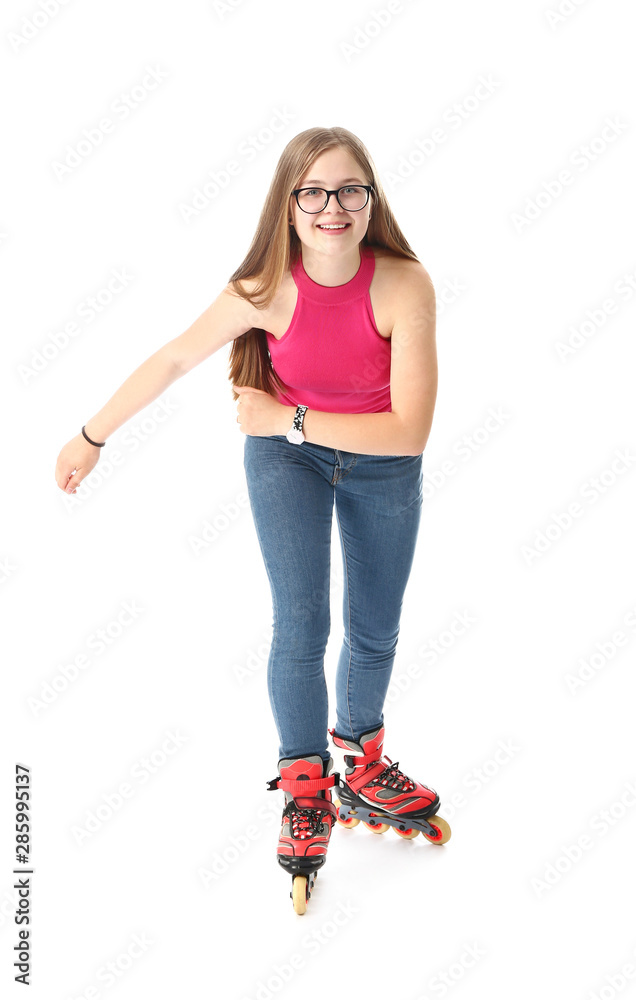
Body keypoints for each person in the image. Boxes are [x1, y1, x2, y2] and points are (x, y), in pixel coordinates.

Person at [54, 125, 450, 916]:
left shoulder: (404, 284)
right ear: (289, 205)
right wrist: (92, 434)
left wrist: (289, 418)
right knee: (300, 626)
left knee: (374, 627)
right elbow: (173, 357)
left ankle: (361, 762)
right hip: (287, 463)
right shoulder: (264, 289)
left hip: (367, 459)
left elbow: (408, 430)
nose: (332, 207)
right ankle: (307, 786)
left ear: (371, 201)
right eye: (313, 192)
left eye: (349, 191)